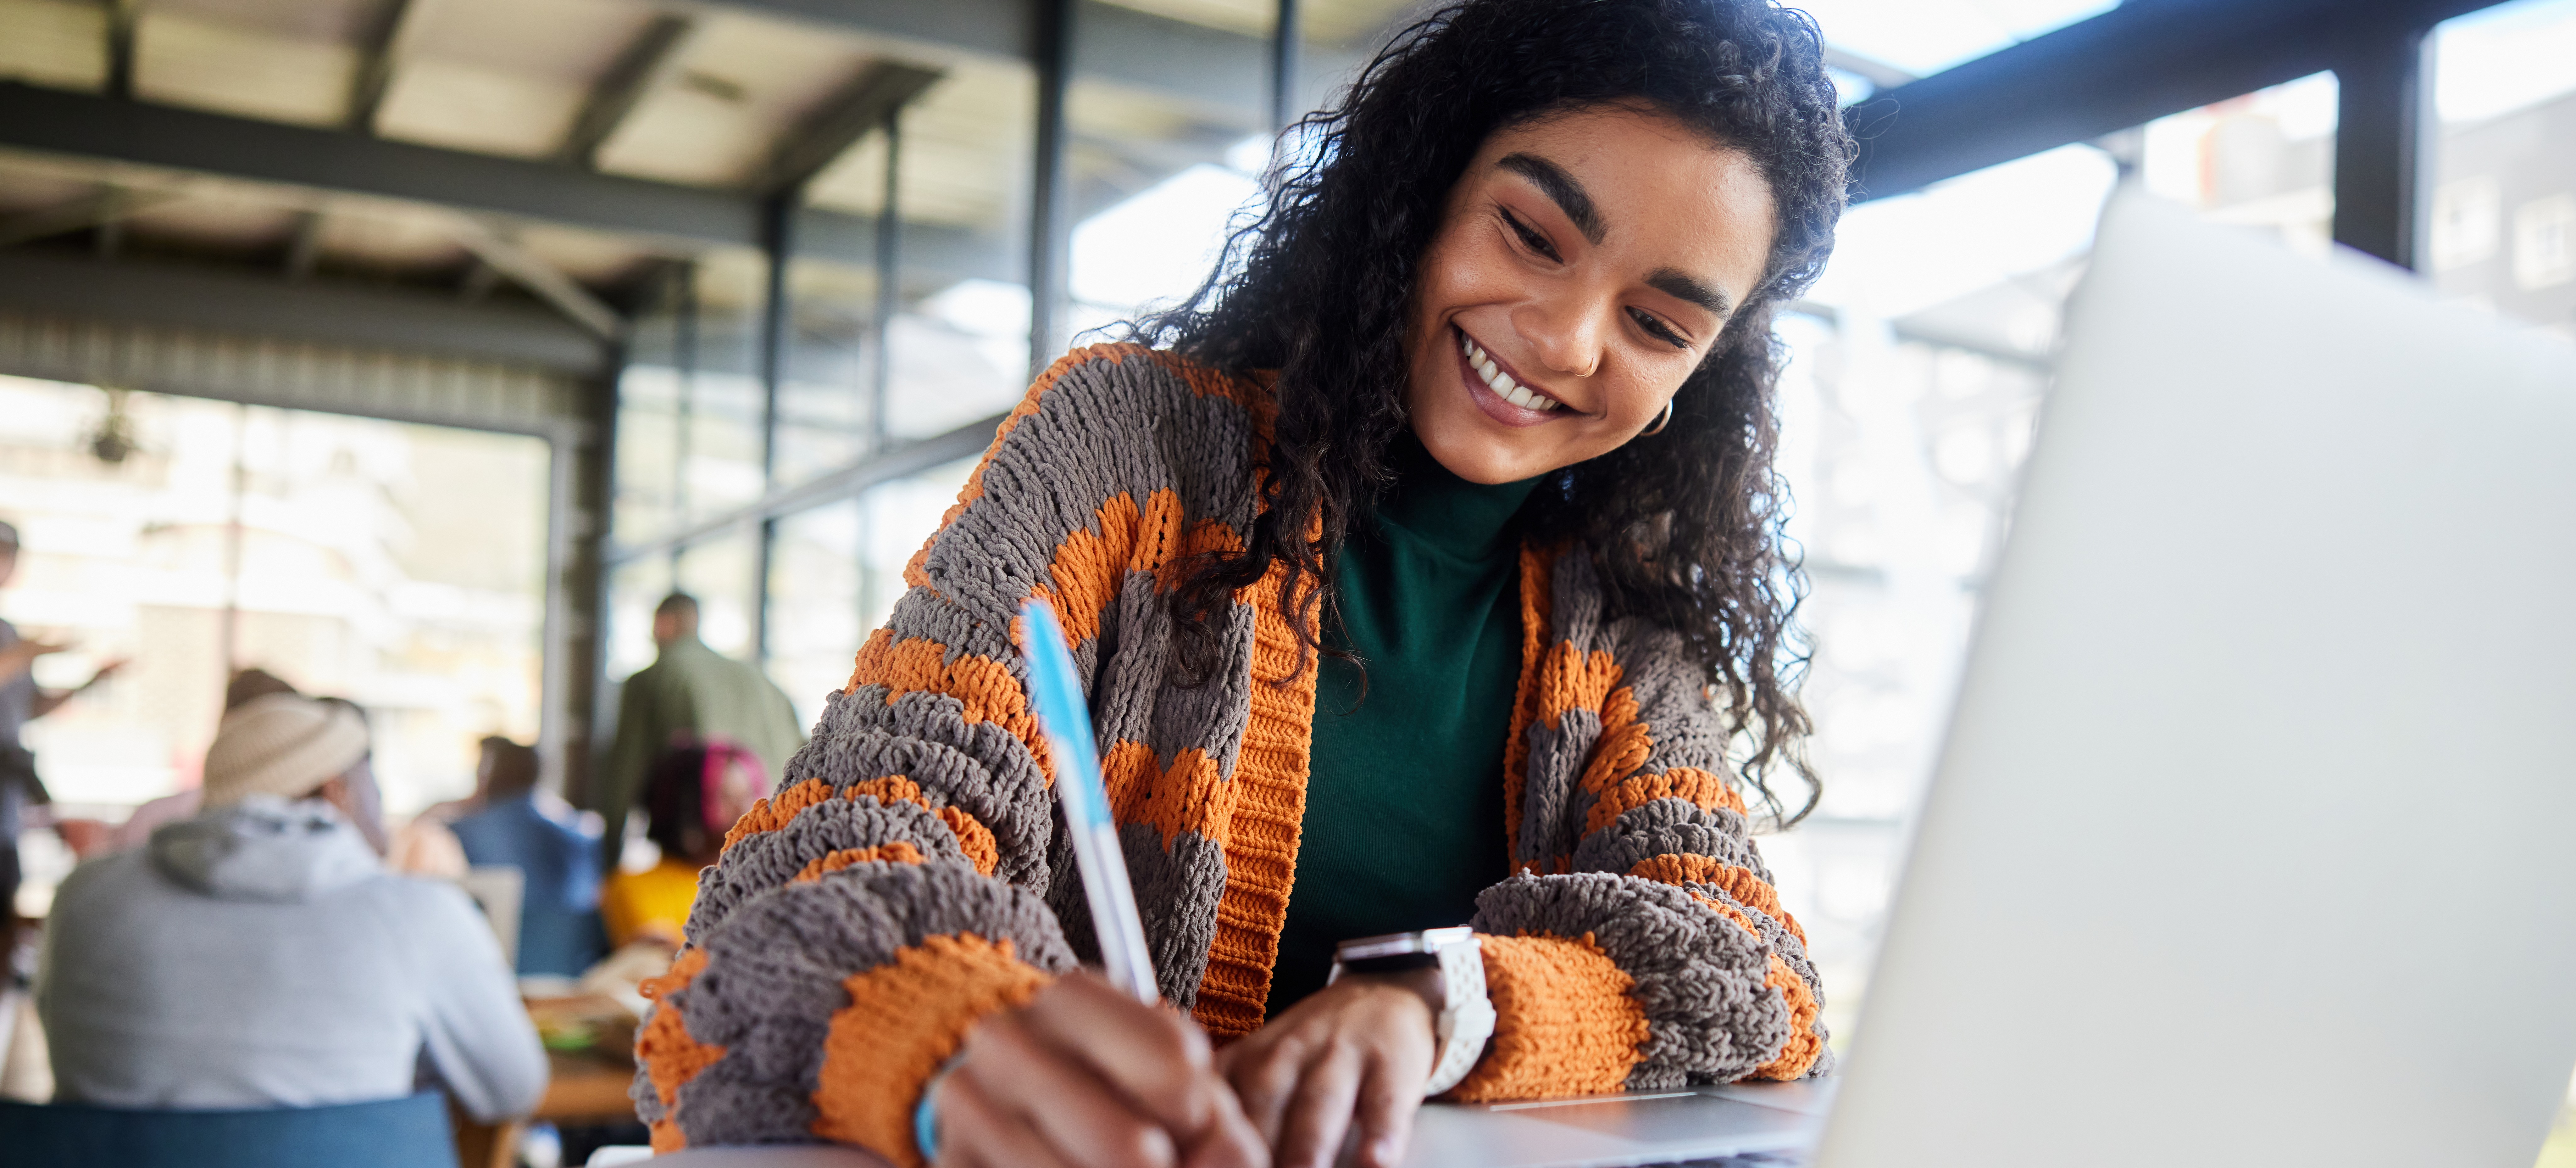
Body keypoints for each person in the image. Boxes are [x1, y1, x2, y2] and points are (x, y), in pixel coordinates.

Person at [636, 1, 1850, 1165]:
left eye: (1656, 324)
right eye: (1530, 235)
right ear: (1421, 193)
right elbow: (802, 882)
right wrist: (945, 1024)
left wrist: (1444, 1000)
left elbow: (1751, 973)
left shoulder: (1621, 627)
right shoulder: (1126, 451)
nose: (1568, 337)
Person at [35, 692, 547, 1120]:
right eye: (373, 779)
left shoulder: (84, 896)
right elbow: (513, 1090)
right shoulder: (421, 913)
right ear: (336, 791)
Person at [596, 593, 802, 865]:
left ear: (664, 624)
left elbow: (623, 774)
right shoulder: (760, 679)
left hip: (698, 853)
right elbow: (803, 753)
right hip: (774, 848)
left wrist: (608, 862)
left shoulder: (655, 677)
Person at [0, 519, 124, 931]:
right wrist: (34, 649)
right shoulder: (20, 643)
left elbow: (32, 707)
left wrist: (93, 680)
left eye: (7, 555)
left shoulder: (10, 633)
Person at [447, 735, 605, 976]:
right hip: (574, 972)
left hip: (495, 969)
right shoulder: (580, 833)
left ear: (490, 773)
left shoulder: (462, 832)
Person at [597, 739, 764, 950]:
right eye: (726, 797)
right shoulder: (633, 888)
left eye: (749, 795)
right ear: (685, 809)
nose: (747, 810)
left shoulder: (761, 882)